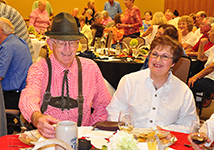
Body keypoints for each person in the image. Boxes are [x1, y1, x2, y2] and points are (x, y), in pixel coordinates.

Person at [19, 12, 111, 139]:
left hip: (81, 139)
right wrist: (37, 117)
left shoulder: (91, 68)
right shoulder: (39, 68)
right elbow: (28, 96)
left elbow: (104, 106)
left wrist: (89, 131)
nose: (68, 49)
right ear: (50, 44)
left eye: (72, 43)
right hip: (47, 140)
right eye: (62, 43)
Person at [107, 35, 198, 133]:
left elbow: (189, 125)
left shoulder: (183, 91)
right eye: (154, 54)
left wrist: (163, 131)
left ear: (173, 63)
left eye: (165, 56)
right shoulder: (129, 81)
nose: (158, 60)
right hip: (131, 140)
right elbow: (114, 111)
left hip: (164, 143)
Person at [0, 17, 32, 109]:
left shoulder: (7, 47)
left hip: (10, 97)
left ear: (1, 30)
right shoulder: (20, 42)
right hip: (21, 93)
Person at [188, 24, 214, 106]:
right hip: (209, 77)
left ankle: (192, 109)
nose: (209, 33)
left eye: (212, 31)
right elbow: (201, 58)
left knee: (192, 84)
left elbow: (212, 66)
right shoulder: (213, 47)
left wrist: (196, 77)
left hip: (212, 79)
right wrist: (202, 45)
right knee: (189, 80)